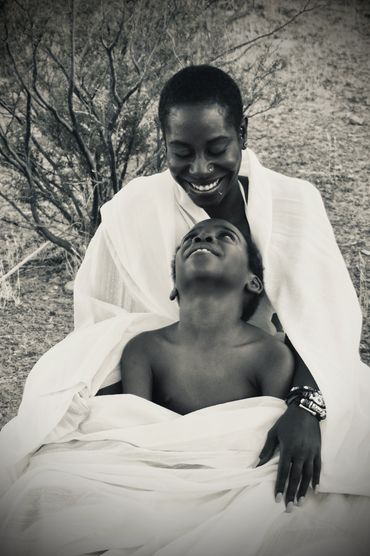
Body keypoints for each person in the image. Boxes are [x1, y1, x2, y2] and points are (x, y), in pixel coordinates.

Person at [1, 64, 369, 512]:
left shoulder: (294, 204)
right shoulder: (135, 209)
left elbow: (324, 327)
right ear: (164, 145)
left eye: (217, 148)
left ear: (242, 133)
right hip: (162, 408)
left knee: (316, 478)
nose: (200, 169)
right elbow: (103, 325)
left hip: (278, 394)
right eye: (181, 152)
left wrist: (306, 408)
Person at [121, 219, 294, 413]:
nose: (202, 237)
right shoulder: (144, 350)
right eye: (190, 238)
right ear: (174, 285)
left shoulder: (271, 356)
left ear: (253, 282)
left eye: (226, 236)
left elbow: (273, 436)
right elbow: (134, 432)